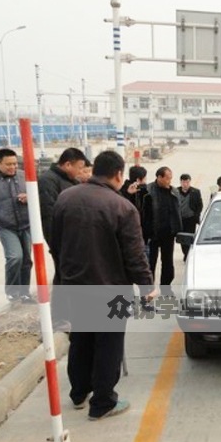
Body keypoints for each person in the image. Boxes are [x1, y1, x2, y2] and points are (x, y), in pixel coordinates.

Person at [50, 150, 156, 420]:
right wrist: (147, 289)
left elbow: (56, 243)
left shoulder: (66, 198)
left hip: (75, 285)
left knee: (82, 338)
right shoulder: (122, 207)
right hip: (112, 290)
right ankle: (103, 402)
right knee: (109, 344)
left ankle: (78, 393)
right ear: (119, 174)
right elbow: (135, 255)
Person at [0, 148, 34, 303]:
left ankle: (24, 292)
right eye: (8, 164)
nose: (13, 167)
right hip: (6, 226)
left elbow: (38, 195)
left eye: (15, 163)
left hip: (26, 224)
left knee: (26, 259)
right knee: (15, 257)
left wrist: (30, 197)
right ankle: (12, 291)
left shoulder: (24, 177)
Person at [142, 167, 183, 295]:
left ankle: (166, 288)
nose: (169, 181)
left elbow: (177, 212)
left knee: (168, 264)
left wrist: (177, 229)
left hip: (168, 234)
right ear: (159, 177)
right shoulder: (148, 190)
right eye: (167, 178)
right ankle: (149, 290)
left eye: (171, 178)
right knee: (150, 264)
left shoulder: (173, 191)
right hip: (152, 234)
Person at [38, 147, 87, 243]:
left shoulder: (73, 180)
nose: (80, 172)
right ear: (68, 165)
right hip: (61, 235)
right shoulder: (47, 180)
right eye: (79, 168)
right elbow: (48, 212)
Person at [177, 173, 203, 261]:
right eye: (183, 182)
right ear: (180, 182)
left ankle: (188, 254)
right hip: (180, 219)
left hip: (191, 219)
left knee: (190, 236)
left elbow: (200, 205)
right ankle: (185, 252)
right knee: (182, 238)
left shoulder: (195, 192)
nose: (185, 184)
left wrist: (196, 214)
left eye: (187, 182)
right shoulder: (176, 192)